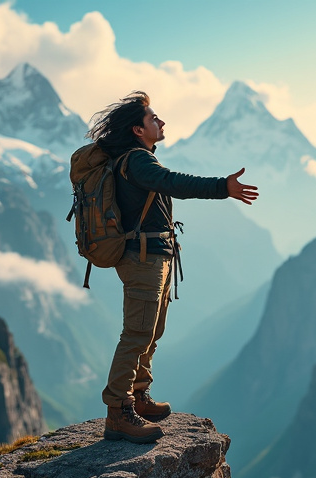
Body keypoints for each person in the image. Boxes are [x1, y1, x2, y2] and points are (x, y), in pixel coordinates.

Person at [86, 91, 258, 444]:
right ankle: (118, 412)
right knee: (137, 333)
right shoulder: (138, 162)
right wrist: (222, 187)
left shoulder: (136, 158)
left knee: (151, 331)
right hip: (143, 258)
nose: (161, 123)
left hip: (156, 254)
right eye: (153, 119)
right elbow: (174, 183)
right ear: (137, 129)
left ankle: (138, 395)